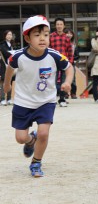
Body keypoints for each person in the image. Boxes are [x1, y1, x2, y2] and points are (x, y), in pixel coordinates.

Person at [3, 15, 73, 177]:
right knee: (20, 138)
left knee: (44, 132)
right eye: (37, 35)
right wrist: (7, 85)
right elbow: (8, 68)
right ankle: (30, 140)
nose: (43, 39)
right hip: (23, 101)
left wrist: (68, 82)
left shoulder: (54, 55)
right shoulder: (18, 56)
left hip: (46, 101)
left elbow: (69, 68)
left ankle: (36, 162)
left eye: (46, 35)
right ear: (27, 38)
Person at [49, 17, 74, 107]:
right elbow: (48, 50)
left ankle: (62, 99)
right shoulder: (51, 36)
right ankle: (52, 99)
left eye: (61, 24)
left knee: (64, 81)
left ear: (64, 26)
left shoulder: (66, 38)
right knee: (52, 81)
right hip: (53, 62)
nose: (59, 26)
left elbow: (70, 51)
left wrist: (70, 62)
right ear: (55, 26)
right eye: (57, 24)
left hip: (64, 62)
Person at [0, 30, 15, 106]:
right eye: (8, 34)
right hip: (4, 65)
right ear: (5, 36)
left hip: (10, 65)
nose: (9, 36)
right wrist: (12, 53)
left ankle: (9, 99)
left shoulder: (12, 44)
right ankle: (2, 99)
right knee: (3, 81)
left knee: (10, 81)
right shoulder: (2, 44)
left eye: (10, 34)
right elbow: (5, 53)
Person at [65, 28, 79, 99]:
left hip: (71, 63)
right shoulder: (62, 43)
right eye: (67, 33)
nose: (69, 35)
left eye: (70, 33)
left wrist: (74, 59)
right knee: (64, 78)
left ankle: (73, 93)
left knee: (73, 79)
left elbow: (77, 55)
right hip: (63, 63)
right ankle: (65, 93)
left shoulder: (74, 44)